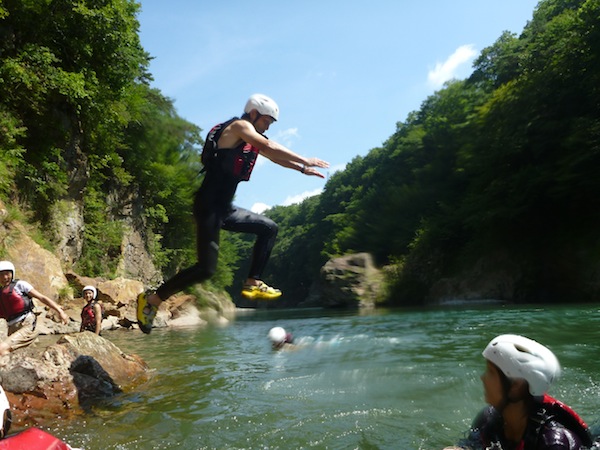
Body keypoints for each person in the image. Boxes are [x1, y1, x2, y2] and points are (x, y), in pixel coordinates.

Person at [136, 94, 329, 334]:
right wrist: (304, 158)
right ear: (254, 113)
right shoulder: (239, 126)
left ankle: (253, 282)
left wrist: (301, 169)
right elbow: (269, 147)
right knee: (206, 269)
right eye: (267, 120)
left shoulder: (252, 139)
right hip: (208, 206)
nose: (269, 126)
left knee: (269, 227)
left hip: (225, 209)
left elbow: (273, 155)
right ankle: (152, 300)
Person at [444, 334, 592, 450]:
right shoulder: (488, 419)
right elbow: (471, 445)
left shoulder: (555, 442)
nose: (483, 378)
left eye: (491, 372)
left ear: (516, 385)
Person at [0, 261, 69, 356]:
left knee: (2, 349)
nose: (4, 277)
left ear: (12, 273)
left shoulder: (20, 285)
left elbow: (42, 298)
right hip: (12, 328)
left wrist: (60, 311)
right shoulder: (1, 293)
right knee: (18, 357)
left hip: (27, 324)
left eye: (7, 274)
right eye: (1, 275)